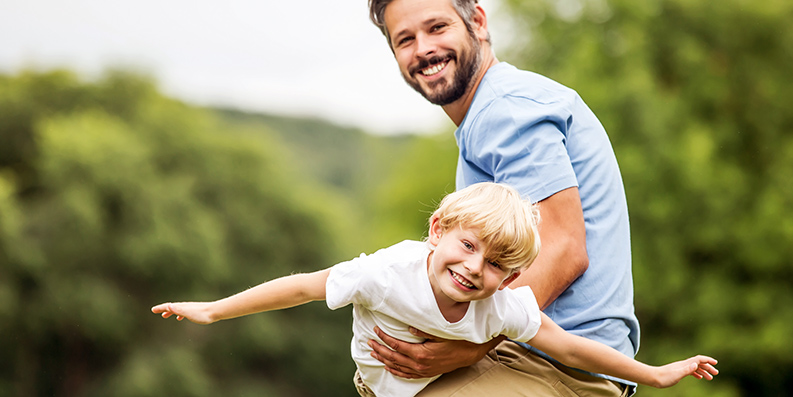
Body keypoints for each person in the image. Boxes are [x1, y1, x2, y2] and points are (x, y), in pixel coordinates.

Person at [152, 183, 718, 397]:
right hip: (383, 385)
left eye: (496, 264)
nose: (475, 269)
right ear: (437, 232)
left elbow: (566, 346)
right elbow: (301, 287)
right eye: (468, 247)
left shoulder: (502, 304)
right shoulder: (388, 272)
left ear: (513, 277)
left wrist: (653, 373)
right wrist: (214, 311)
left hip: (440, 383)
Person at [366, 0, 643, 395]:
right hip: (533, 357)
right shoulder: (491, 112)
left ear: (477, 21)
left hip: (560, 366)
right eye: (405, 39)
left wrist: (471, 343)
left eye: (437, 27)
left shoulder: (503, 111)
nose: (423, 48)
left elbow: (562, 247)